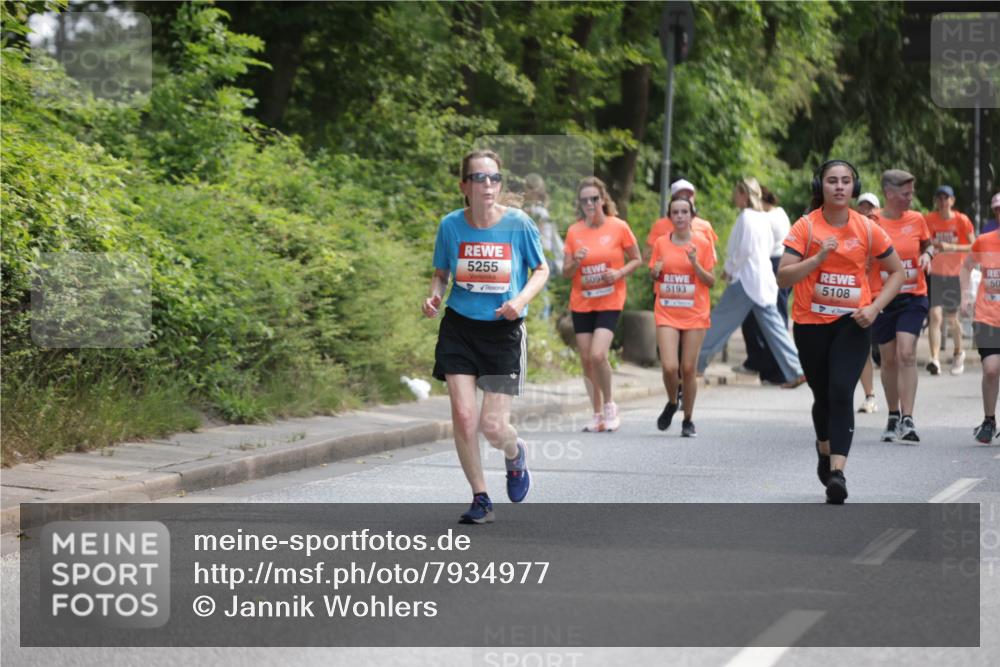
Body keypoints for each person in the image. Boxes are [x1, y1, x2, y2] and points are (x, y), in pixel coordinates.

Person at [423, 149, 549, 524]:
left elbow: (541, 269)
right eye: (480, 178)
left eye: (495, 178)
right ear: (464, 185)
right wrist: (434, 296)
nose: (489, 185)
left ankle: (514, 453)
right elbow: (441, 273)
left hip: (503, 331)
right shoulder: (450, 226)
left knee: (493, 427)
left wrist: (520, 300)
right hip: (460, 328)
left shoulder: (518, 223)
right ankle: (481, 497)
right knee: (464, 417)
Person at [778, 160, 904, 504]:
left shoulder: (867, 229)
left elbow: (897, 273)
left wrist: (874, 308)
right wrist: (817, 259)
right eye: (832, 181)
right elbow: (783, 277)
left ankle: (837, 473)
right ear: (820, 186)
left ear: (854, 187)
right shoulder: (806, 226)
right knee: (822, 396)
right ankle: (823, 448)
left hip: (853, 323)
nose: (839, 186)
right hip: (810, 324)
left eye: (845, 181)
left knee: (841, 391)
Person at [696, 177, 805, 388]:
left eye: (736, 193)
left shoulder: (746, 217)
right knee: (775, 329)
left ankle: (696, 363)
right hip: (763, 280)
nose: (734, 197)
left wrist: (729, 270)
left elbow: (743, 250)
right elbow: (767, 248)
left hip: (746, 280)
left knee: (719, 321)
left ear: (744, 195)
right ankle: (796, 370)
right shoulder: (764, 218)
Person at [563, 177, 641, 432]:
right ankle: (596, 413)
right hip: (582, 302)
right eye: (584, 200)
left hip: (610, 299)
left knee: (598, 355)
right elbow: (566, 272)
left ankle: (609, 405)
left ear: (603, 199)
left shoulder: (618, 227)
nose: (590, 204)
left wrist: (619, 273)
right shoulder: (574, 232)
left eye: (594, 199)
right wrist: (575, 261)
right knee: (586, 359)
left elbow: (637, 259)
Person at [870, 169, 933, 443]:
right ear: (889, 193)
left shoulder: (917, 219)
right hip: (882, 299)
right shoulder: (872, 222)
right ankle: (893, 414)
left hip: (913, 297)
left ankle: (908, 418)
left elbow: (928, 245)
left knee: (906, 352)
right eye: (906, 193)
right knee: (889, 359)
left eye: (911, 192)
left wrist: (928, 255)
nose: (911, 197)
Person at [649, 195, 716, 437]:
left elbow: (711, 281)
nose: (679, 216)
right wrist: (655, 272)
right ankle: (671, 401)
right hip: (667, 311)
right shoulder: (661, 243)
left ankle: (688, 420)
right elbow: (654, 273)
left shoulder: (703, 243)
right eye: (675, 212)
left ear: (691, 216)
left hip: (694, 313)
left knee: (688, 368)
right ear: (670, 217)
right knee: (669, 367)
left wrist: (695, 263)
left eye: (684, 212)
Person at [739, 186, 792, 384]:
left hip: (772, 265)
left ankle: (770, 366)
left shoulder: (766, 218)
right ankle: (767, 366)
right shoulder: (780, 213)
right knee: (769, 318)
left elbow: (754, 245)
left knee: (768, 318)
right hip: (777, 264)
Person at [924, 185, 975, 376]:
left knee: (952, 318)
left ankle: (958, 352)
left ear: (952, 201)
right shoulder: (929, 219)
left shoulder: (961, 220)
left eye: (946, 198)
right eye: (939, 198)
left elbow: (974, 246)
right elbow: (923, 242)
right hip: (935, 274)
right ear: (935, 201)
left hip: (954, 274)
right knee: (935, 316)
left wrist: (952, 247)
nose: (943, 201)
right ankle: (934, 359)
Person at [961, 227, 1000, 442]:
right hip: (987, 316)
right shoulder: (984, 241)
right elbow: (966, 266)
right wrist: (966, 295)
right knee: (991, 369)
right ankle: (989, 420)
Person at [855, 192, 881, 414]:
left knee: (889, 354)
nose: (866, 211)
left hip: (882, 297)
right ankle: (870, 396)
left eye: (870, 207)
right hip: (860, 298)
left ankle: (898, 401)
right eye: (862, 207)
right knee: (864, 350)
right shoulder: (852, 231)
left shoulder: (883, 231)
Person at [523, 173, 564, 319]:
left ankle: (543, 323)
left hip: (538, 257)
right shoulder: (535, 209)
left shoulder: (539, 212)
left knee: (540, 293)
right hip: (538, 256)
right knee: (540, 292)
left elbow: (545, 242)